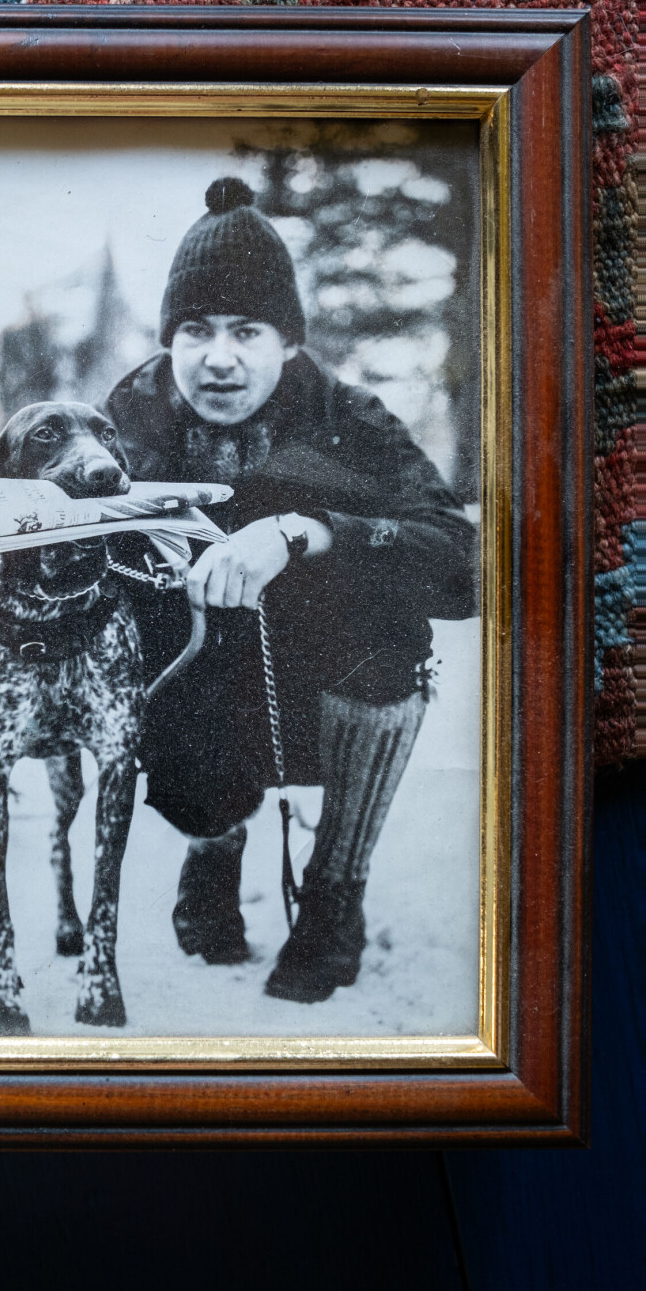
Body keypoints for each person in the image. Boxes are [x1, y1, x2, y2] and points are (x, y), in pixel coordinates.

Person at [106, 175, 478, 1003]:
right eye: (195, 330)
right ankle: (213, 842)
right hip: (193, 684)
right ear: (170, 337)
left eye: (248, 330)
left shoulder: (352, 418)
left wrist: (306, 533)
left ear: (289, 342)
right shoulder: (126, 417)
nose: (220, 358)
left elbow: (464, 560)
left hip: (325, 676)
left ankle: (335, 892)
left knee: (390, 630)